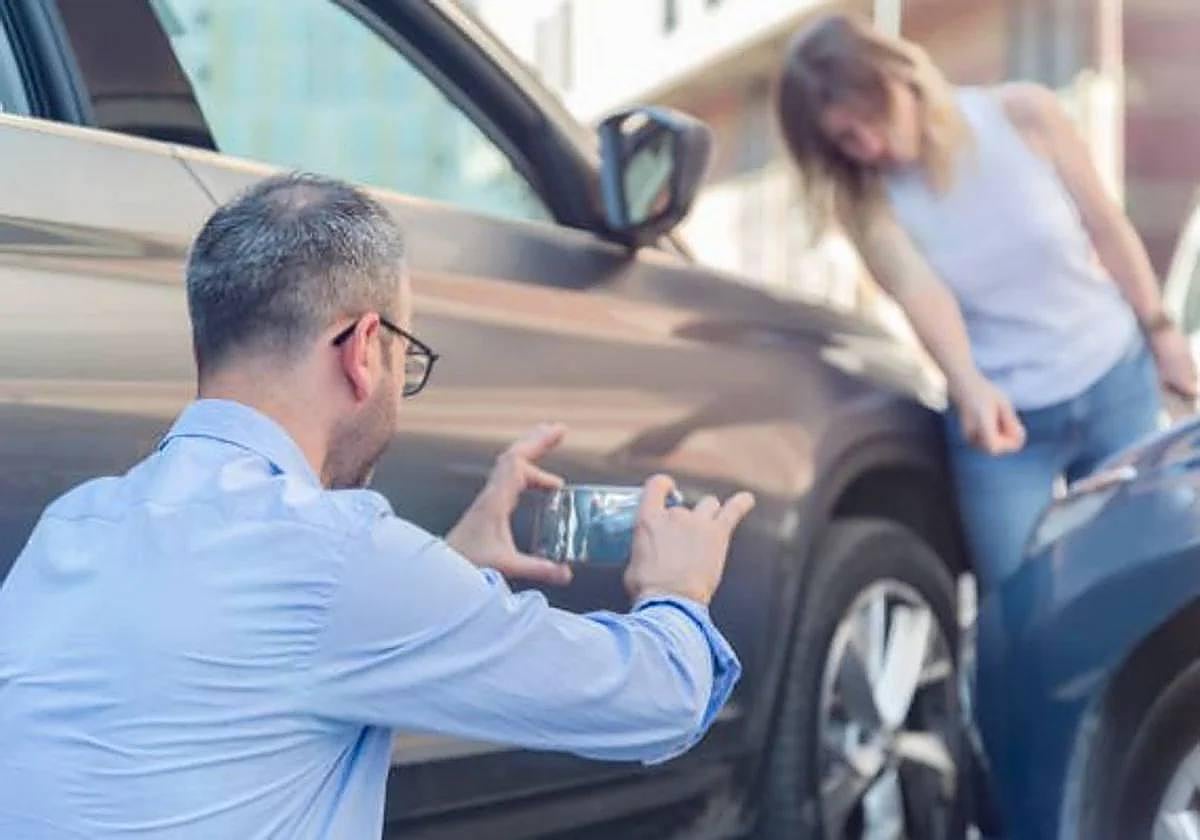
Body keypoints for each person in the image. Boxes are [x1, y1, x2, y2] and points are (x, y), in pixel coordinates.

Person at [0, 173, 756, 839]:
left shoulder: (74, 526)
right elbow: (656, 699)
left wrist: (445, 568)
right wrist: (677, 590)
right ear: (363, 349)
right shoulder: (337, 557)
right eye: (405, 356)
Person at [776, 12, 1198, 590]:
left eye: (872, 118)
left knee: (1146, 577)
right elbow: (922, 295)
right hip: (1004, 421)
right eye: (846, 140)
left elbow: (1106, 225)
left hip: (1112, 382)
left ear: (901, 77)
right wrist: (968, 384)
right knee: (1016, 603)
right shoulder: (868, 203)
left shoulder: (1024, 115)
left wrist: (1162, 332)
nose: (869, 145)